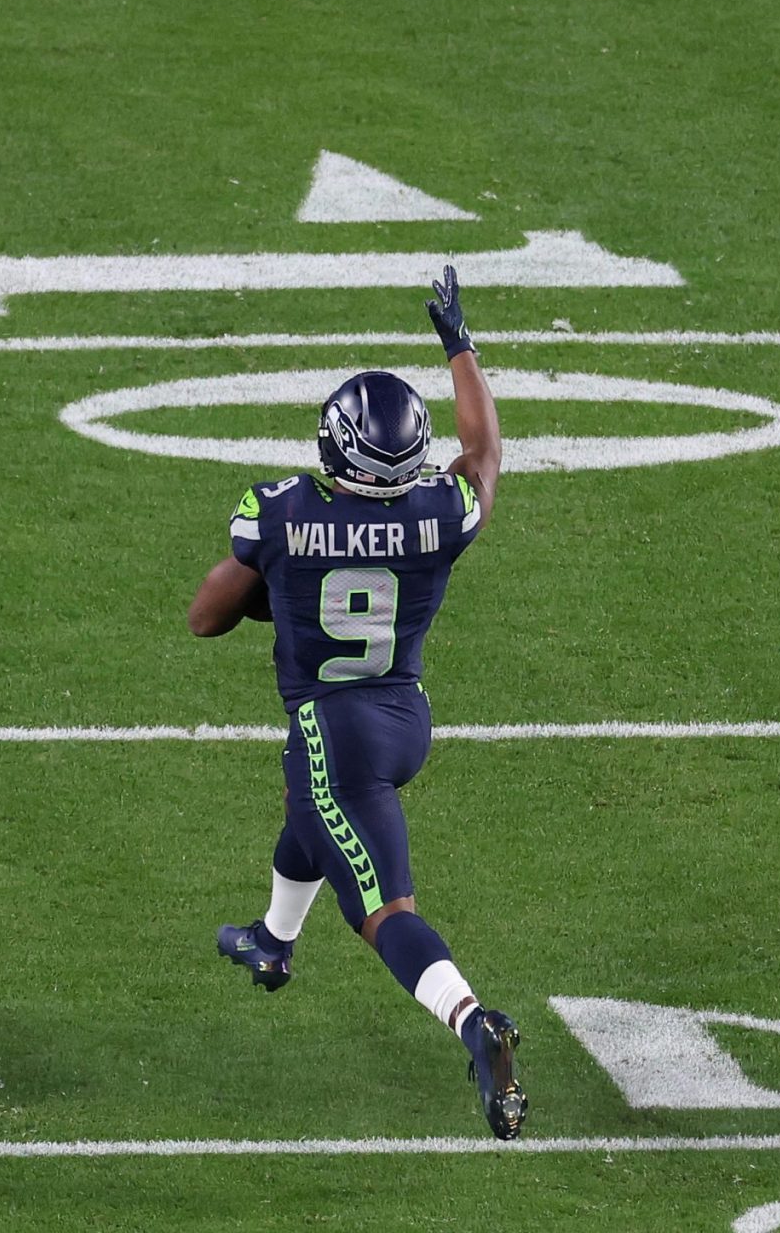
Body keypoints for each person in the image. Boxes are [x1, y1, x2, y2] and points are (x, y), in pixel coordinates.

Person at [185, 266, 524, 1138]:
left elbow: (204, 617)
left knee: (381, 910)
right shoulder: (442, 512)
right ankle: (272, 941)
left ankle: (473, 1022)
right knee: (308, 812)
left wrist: (269, 587)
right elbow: (484, 455)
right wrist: (460, 346)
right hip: (403, 716)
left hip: (334, 728)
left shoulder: (280, 512)